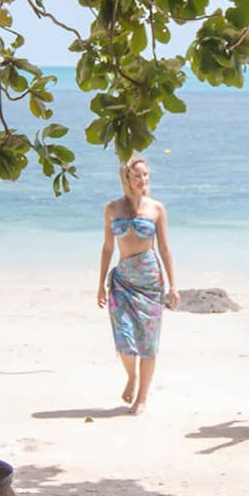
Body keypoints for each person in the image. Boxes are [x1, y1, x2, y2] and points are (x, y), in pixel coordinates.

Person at [97, 155, 179, 414]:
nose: (142, 180)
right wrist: (100, 284)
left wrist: (173, 286)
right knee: (124, 337)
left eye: (145, 175)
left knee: (148, 341)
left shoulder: (156, 209)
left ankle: (142, 397)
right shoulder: (112, 209)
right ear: (126, 179)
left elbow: (165, 249)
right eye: (137, 176)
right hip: (122, 279)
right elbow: (108, 248)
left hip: (150, 281)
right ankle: (131, 376)